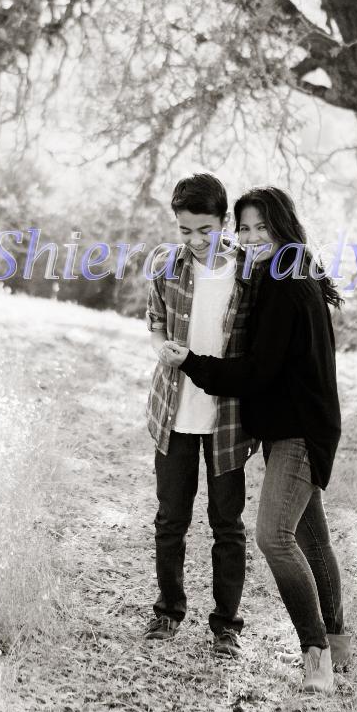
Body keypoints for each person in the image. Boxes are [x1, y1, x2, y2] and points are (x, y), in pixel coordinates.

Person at [159, 186, 348, 693]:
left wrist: (191, 363)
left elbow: (255, 373)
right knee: (312, 538)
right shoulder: (284, 271)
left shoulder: (286, 285)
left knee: (273, 536)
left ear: (283, 227)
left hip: (300, 431)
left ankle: (316, 654)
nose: (251, 237)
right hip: (297, 424)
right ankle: (338, 643)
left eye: (262, 227)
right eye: (244, 228)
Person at [144, 172, 261, 658]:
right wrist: (162, 348)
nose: (194, 240)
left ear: (224, 222)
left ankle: (226, 626)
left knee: (226, 523)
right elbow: (155, 322)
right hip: (174, 412)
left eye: (205, 230)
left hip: (226, 420)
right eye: (185, 230)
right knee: (171, 518)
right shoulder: (166, 267)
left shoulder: (248, 272)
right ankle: (168, 610)